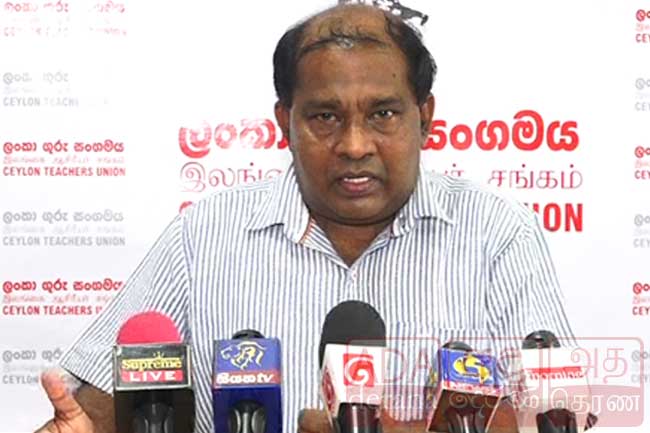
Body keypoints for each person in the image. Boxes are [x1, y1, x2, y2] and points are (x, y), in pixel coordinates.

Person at [35, 4, 573, 433]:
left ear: (425, 117)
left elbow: (551, 417)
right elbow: (103, 409)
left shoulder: (498, 233)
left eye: (383, 113)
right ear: (284, 122)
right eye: (325, 116)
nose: (355, 145)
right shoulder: (202, 237)